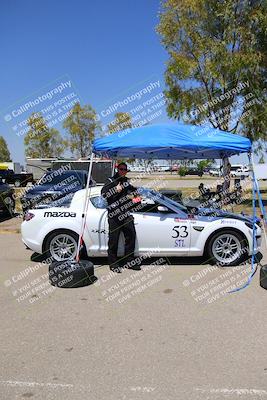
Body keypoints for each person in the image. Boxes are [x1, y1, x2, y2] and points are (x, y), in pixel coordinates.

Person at [101, 162, 141, 273]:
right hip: (114, 214)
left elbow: (133, 191)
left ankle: (129, 261)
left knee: (131, 236)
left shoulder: (126, 181)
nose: (123, 171)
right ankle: (113, 264)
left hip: (125, 213)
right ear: (117, 169)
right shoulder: (111, 180)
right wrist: (115, 190)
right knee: (114, 240)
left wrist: (137, 196)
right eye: (121, 169)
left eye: (125, 170)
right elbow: (103, 194)